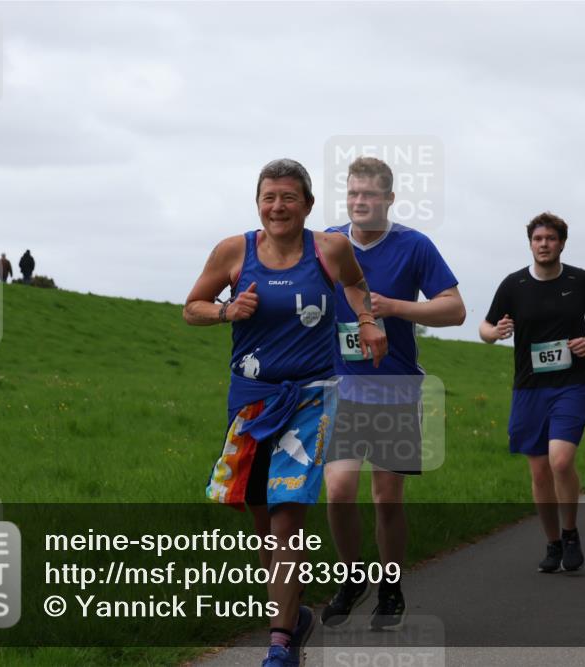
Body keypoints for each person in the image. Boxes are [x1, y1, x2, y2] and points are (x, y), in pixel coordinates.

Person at [183, 158, 386, 667]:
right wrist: (228, 310)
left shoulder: (330, 249)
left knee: (286, 520)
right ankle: (295, 620)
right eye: (269, 197)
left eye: (289, 197)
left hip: (312, 398)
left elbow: (356, 283)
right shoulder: (234, 251)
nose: (278, 207)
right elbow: (192, 307)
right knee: (263, 524)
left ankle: (278, 645)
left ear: (308, 205)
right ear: (258, 203)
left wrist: (365, 319)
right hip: (251, 402)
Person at [321, 157, 465, 631]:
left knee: (387, 499)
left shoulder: (414, 246)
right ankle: (351, 575)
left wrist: (396, 308)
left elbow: (456, 310)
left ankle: (390, 585)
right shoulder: (328, 244)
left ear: (388, 199)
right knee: (338, 492)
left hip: (396, 388)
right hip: (342, 388)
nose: (360, 202)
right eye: (353, 193)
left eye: (369, 195)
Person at [480, 212, 585, 574]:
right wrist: (496, 332)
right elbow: (484, 327)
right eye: (538, 239)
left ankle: (571, 534)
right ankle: (553, 542)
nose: (544, 244)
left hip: (571, 384)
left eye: (550, 239)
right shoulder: (514, 284)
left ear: (562, 243)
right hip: (529, 388)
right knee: (539, 474)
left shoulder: (580, 280)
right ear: (530, 243)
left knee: (561, 461)